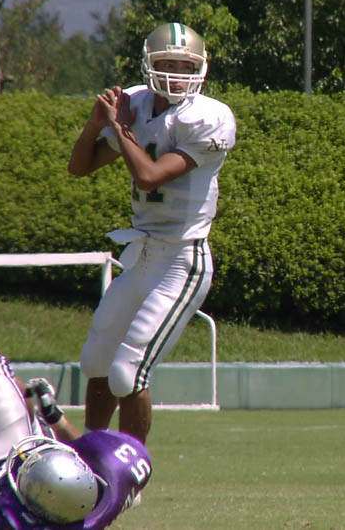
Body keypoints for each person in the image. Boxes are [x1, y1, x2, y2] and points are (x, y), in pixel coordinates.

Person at [67, 22, 236, 444]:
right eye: (168, 64)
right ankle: (91, 458)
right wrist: (95, 124)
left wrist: (121, 129)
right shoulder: (137, 104)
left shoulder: (208, 117)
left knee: (128, 373)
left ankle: (130, 469)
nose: (177, 74)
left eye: (185, 66)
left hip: (182, 259)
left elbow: (149, 176)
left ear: (201, 69)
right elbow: (80, 167)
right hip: (143, 255)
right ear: (148, 64)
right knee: (97, 361)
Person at [0, 350, 151, 529]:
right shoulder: (118, 465)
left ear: (37, 511)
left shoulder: (19, 523)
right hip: (8, 448)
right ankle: (34, 426)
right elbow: (88, 448)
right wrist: (57, 420)